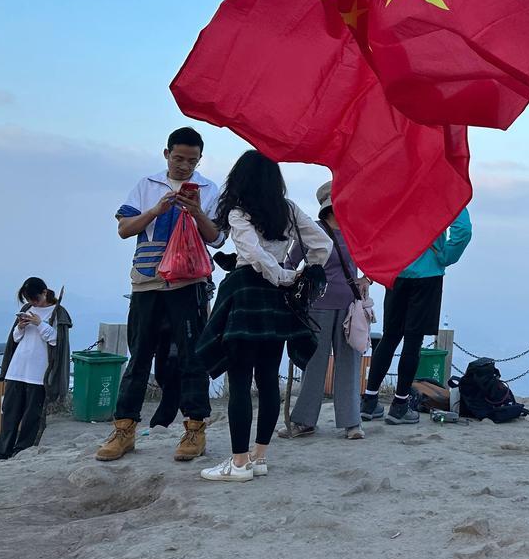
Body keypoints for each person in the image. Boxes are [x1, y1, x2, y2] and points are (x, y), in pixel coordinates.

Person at [194, 150, 332, 482]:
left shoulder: (239, 212)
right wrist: (297, 274)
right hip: (277, 300)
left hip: (245, 292)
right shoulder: (288, 210)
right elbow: (322, 244)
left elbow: (250, 252)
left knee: (240, 381)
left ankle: (239, 463)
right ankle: (258, 457)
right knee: (268, 378)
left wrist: (281, 275)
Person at [97, 127, 223, 464]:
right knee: (138, 355)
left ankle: (195, 428)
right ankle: (124, 429)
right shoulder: (147, 185)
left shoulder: (209, 190)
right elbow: (124, 229)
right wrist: (156, 210)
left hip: (189, 283)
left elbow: (217, 239)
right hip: (147, 281)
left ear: (200, 159)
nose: (184, 166)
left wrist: (196, 211)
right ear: (166, 154)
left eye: (191, 160)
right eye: (179, 158)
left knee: (191, 357)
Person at [361, 208, 472, 425]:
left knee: (390, 336)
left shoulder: (402, 188)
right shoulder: (444, 189)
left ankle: (369, 400)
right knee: (413, 341)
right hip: (428, 274)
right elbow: (463, 230)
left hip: (397, 270)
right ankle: (400, 405)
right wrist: (445, 256)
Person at [279, 182, 371, 440]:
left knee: (349, 363)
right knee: (314, 363)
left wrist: (368, 279)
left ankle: (352, 422)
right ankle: (304, 421)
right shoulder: (312, 231)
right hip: (316, 306)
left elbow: (375, 260)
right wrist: (295, 284)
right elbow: (290, 262)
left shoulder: (357, 231)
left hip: (350, 307)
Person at [0, 279, 72, 460]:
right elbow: (15, 339)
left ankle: (22, 451)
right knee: (10, 413)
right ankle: (1, 451)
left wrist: (39, 324)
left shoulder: (58, 312)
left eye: (35, 299)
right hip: (17, 369)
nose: (33, 303)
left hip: (38, 373)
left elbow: (57, 342)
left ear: (44, 292)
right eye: (29, 299)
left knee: (32, 416)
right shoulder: (26, 309)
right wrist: (20, 327)